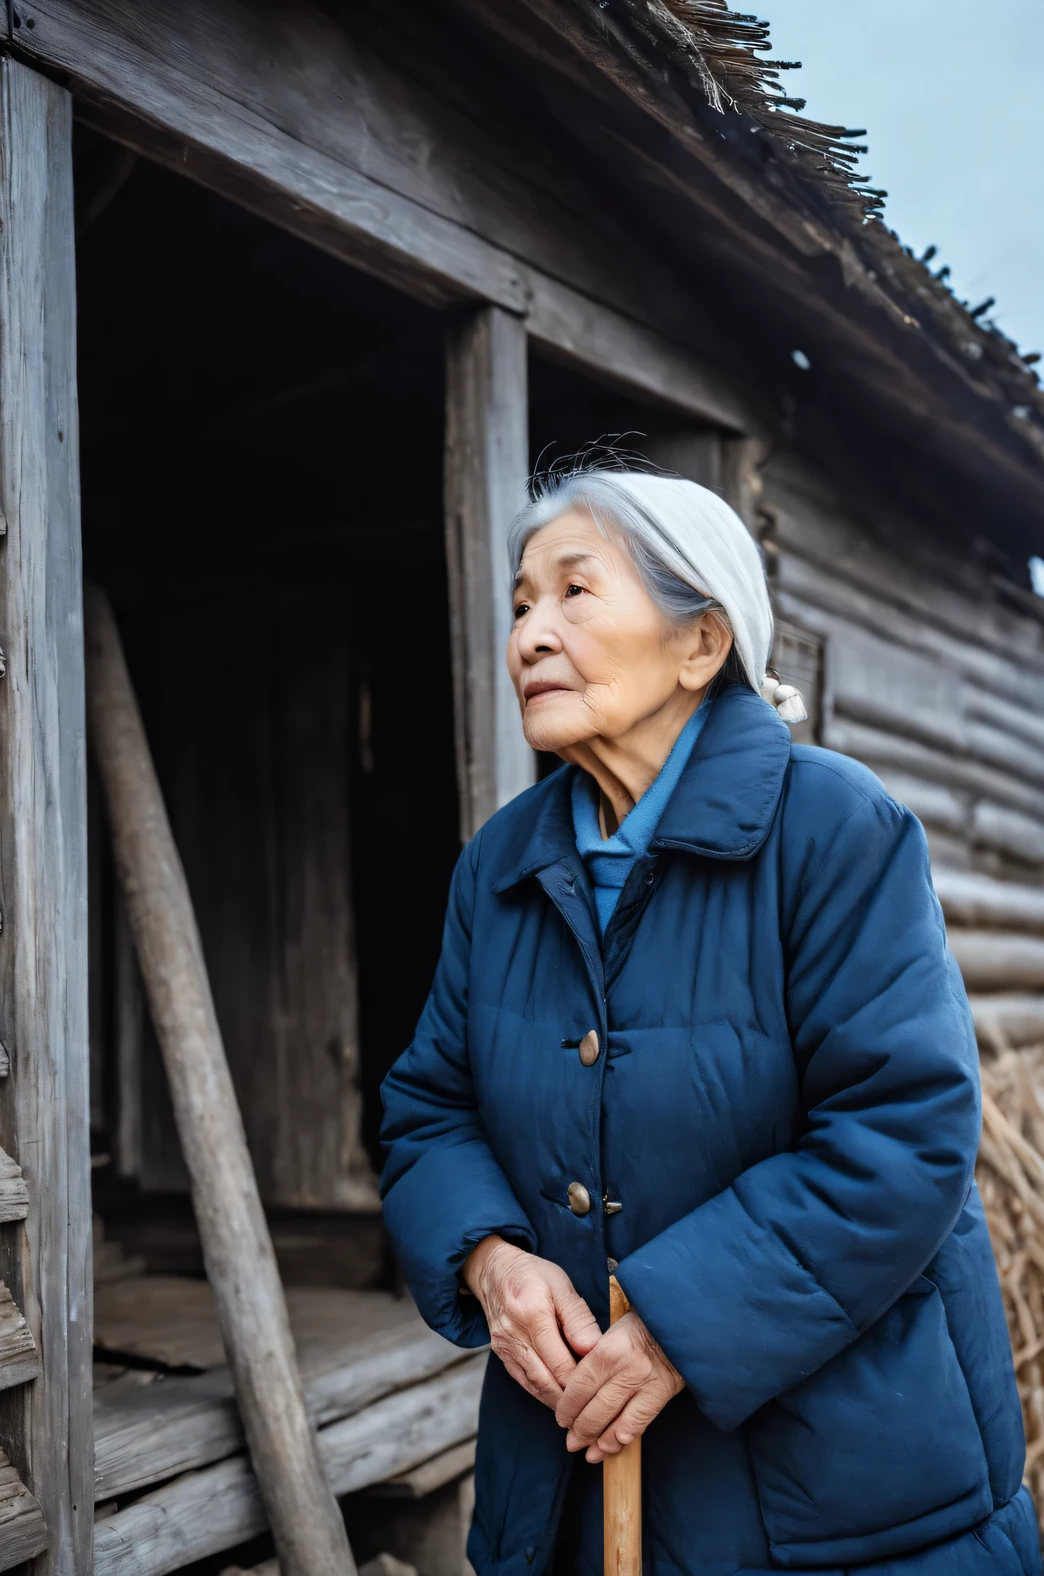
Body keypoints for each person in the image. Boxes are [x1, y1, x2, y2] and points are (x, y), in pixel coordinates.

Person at [379, 467, 1037, 1576]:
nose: (531, 632)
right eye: (521, 602)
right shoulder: (499, 866)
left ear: (701, 646)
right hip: (569, 1489)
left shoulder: (834, 829)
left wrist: (679, 1322)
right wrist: (490, 1259)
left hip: (843, 1497)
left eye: (575, 592)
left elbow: (903, 1129)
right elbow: (429, 1106)